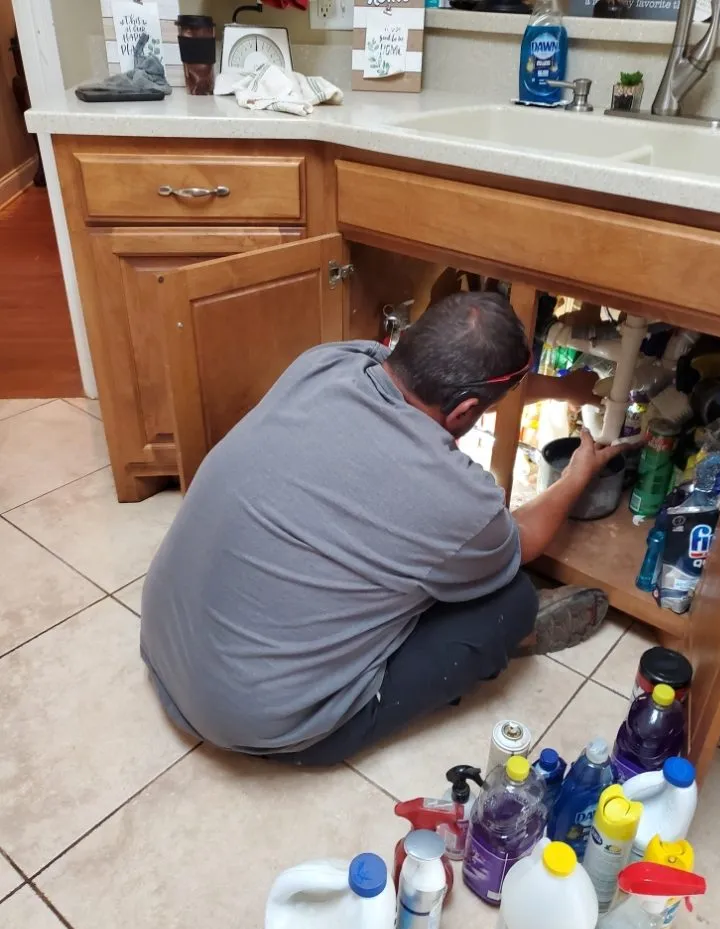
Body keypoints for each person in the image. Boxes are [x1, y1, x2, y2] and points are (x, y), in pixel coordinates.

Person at [141, 292, 626, 766]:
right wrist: (577, 473)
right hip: (260, 721)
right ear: (464, 414)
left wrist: (563, 389)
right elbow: (524, 542)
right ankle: (514, 641)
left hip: (166, 645)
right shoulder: (459, 500)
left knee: (413, 559)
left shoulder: (329, 362)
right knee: (511, 601)